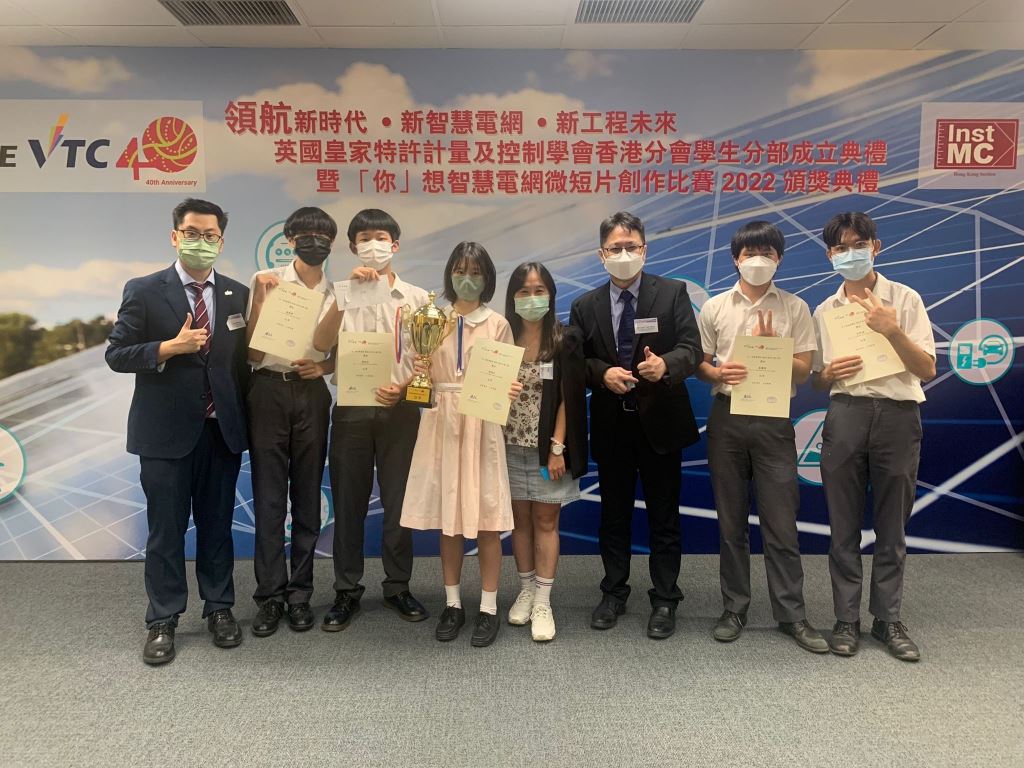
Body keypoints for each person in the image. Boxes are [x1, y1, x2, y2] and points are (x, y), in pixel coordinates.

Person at [106, 198, 250, 665]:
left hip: (220, 434)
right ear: (175, 236)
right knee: (166, 531)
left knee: (217, 527)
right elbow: (116, 354)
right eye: (192, 233)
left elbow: (240, 368)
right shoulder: (145, 290)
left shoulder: (237, 294)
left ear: (221, 242)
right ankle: (163, 619)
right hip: (164, 436)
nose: (201, 242)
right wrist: (169, 347)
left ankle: (219, 608)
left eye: (210, 236)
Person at [569, 211, 703, 640]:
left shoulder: (673, 293)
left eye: (631, 246)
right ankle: (613, 592)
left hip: (661, 422)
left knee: (664, 516)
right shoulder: (585, 306)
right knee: (614, 516)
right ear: (601, 254)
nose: (624, 254)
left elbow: (693, 349)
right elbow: (577, 361)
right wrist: (601, 373)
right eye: (616, 248)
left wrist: (666, 365)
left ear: (645, 249)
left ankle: (665, 598)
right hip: (612, 425)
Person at [696, 221, 828, 653]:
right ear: (735, 259)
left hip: (774, 420)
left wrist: (774, 349)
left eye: (766, 253)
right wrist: (718, 372)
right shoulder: (715, 307)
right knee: (731, 522)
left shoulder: (795, 307)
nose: (758, 260)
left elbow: (805, 371)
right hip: (727, 417)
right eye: (749, 253)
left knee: (781, 523)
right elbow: (701, 363)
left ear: (779, 259)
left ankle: (792, 614)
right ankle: (734, 608)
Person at [812, 211, 936, 662]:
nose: (850, 254)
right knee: (842, 525)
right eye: (840, 248)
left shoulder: (905, 299)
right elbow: (817, 380)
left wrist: (892, 330)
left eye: (858, 245)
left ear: (875, 247)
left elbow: (927, 368)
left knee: (892, 526)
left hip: (898, 416)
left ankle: (888, 618)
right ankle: (846, 619)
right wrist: (827, 373)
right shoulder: (825, 311)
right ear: (830, 255)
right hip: (847, 413)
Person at [312, 209, 431, 631]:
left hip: (401, 411)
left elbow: (428, 362)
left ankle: (398, 586)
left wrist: (406, 388)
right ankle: (347, 590)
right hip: (351, 410)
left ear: (394, 245)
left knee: (399, 504)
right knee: (349, 504)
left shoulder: (417, 298)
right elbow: (320, 343)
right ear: (352, 247)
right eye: (364, 239)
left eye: (380, 237)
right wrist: (345, 297)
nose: (373, 245)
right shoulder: (338, 292)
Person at [400, 242, 523, 647]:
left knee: (487, 519)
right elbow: (419, 378)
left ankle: (488, 606)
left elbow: (504, 379)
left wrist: (509, 389)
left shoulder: (498, 324)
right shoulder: (432, 319)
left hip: (482, 425)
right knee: (448, 520)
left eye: (475, 272)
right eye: (459, 270)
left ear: (487, 278)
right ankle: (452, 603)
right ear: (449, 274)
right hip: (441, 423)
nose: (466, 279)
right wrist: (420, 372)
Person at [245, 207, 336, 637]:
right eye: (306, 234)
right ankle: (269, 596)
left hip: (311, 395)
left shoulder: (339, 291)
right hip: (268, 391)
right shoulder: (266, 280)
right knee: (268, 498)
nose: (314, 241)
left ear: (331, 244)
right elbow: (251, 353)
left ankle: (300, 594)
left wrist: (324, 367)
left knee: (307, 495)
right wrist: (263, 301)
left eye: (323, 236)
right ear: (290, 239)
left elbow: (343, 354)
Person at [502, 262, 587, 642]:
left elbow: (570, 398)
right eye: (524, 291)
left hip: (546, 451)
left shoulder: (565, 339)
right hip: (506, 446)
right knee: (519, 522)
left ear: (551, 294)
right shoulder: (501, 337)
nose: (531, 298)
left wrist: (557, 448)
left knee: (546, 522)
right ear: (513, 297)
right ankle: (525, 589)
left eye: (539, 290)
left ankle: (543, 601)